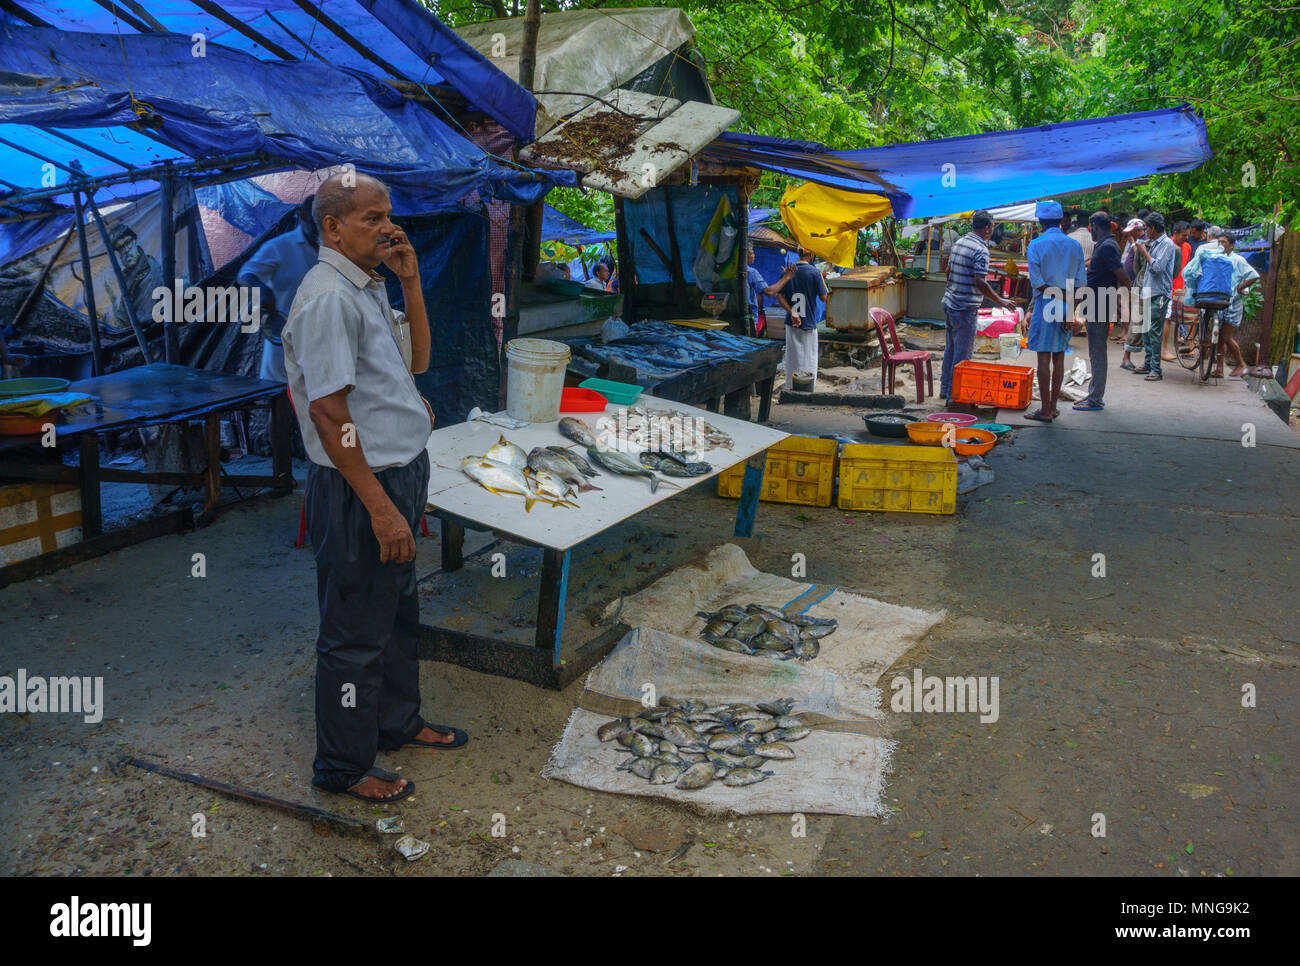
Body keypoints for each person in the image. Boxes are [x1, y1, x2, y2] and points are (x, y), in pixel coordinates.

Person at [282, 172, 459, 805]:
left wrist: (411, 281)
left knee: (396, 611)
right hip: (362, 487)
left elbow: (416, 367)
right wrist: (381, 509)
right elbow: (331, 416)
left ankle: (396, 721)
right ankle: (342, 766)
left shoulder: (367, 287)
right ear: (331, 227)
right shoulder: (328, 298)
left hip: (397, 473)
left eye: (389, 215)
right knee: (354, 632)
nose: (388, 227)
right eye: (371, 218)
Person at [239, 197, 320, 383]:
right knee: (283, 398)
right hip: (284, 340)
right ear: (302, 215)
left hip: (323, 341)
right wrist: (262, 289)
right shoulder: (280, 246)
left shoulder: (334, 247)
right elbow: (246, 274)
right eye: (315, 222)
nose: (319, 229)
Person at [939, 209, 1015, 404]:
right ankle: (954, 398)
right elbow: (980, 282)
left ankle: (945, 388)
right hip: (964, 308)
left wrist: (955, 289)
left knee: (951, 349)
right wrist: (1001, 301)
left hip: (949, 303)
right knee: (962, 355)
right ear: (988, 228)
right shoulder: (981, 250)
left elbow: (948, 271)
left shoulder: (960, 242)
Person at [1024, 201, 1086, 421]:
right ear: (1062, 221)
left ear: (1040, 222)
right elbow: (1080, 284)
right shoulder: (1074, 246)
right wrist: (1070, 311)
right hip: (1067, 302)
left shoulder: (1036, 245)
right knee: (1059, 355)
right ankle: (1052, 407)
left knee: (1043, 356)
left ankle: (1046, 410)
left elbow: (1037, 282)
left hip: (1046, 302)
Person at [1182, 229, 1260, 378]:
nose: (1221, 245)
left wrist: (1241, 286)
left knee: (1225, 337)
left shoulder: (1238, 260)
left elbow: (1254, 276)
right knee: (1218, 338)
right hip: (1219, 301)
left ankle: (1241, 363)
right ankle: (1219, 369)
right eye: (1219, 242)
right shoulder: (1216, 258)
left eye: (1224, 242)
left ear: (1232, 245)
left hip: (1233, 304)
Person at [1073, 211, 1131, 412]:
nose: (1091, 231)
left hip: (1100, 305)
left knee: (1097, 353)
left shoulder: (1107, 246)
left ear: (1095, 226)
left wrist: (1125, 300)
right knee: (1095, 352)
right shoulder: (1106, 245)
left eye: (1091, 228)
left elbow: (1123, 276)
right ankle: (1093, 395)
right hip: (1097, 304)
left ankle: (1096, 398)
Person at [1127, 212, 1178, 381]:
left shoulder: (1167, 245)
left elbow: (1157, 267)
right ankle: (1148, 363)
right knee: (1147, 331)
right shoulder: (1155, 243)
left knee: (1154, 331)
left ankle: (1156, 369)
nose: (1145, 231)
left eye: (1147, 228)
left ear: (1153, 228)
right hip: (1149, 291)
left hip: (1159, 293)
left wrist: (1144, 252)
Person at [766, 249, 826, 390]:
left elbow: (779, 296)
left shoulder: (788, 272)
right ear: (811, 255)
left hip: (791, 321)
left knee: (793, 356)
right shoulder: (814, 273)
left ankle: (791, 385)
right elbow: (824, 297)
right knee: (809, 356)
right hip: (809, 320)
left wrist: (792, 311)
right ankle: (808, 386)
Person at [745, 246, 767, 331]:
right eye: (752, 253)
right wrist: (785, 278)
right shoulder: (751, 272)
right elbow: (769, 292)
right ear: (746, 255)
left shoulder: (730, 270)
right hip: (749, 319)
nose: (754, 255)